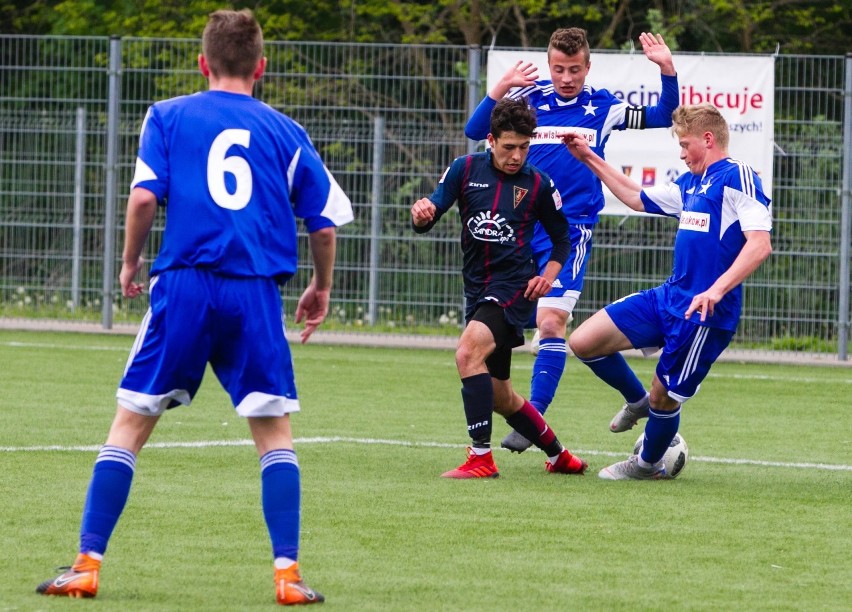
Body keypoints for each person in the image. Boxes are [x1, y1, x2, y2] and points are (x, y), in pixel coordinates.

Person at [36, 9, 353, 605]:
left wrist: (130, 263)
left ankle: (85, 564)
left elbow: (142, 199)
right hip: (254, 292)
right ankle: (287, 575)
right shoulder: (286, 131)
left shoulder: (169, 115)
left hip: (183, 285)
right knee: (274, 433)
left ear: (203, 62)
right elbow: (325, 224)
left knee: (130, 424)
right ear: (261, 66)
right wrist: (321, 286)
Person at [465, 28, 679, 453]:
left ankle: (533, 420)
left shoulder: (602, 106)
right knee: (523, 329)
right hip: (519, 234)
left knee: (550, 323)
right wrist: (501, 88)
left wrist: (667, 70)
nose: (566, 77)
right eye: (559, 69)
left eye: (574, 69)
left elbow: (664, 114)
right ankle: (637, 399)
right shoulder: (528, 102)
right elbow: (476, 130)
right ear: (549, 66)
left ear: (588, 67)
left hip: (570, 231)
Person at [561, 103, 772, 479]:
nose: (680, 152)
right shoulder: (690, 183)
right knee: (583, 341)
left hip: (704, 316)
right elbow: (635, 196)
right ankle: (637, 402)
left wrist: (716, 291)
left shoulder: (737, 175)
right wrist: (588, 157)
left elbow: (759, 244)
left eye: (685, 143)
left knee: (666, 395)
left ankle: (646, 465)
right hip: (668, 298)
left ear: (708, 140)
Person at [411, 97, 587, 479]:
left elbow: (561, 240)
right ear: (490, 140)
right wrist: (421, 214)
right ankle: (559, 456)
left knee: (466, 353)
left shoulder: (538, 183)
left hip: (513, 288)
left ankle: (480, 458)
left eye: (524, 147)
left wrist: (549, 275)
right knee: (500, 396)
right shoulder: (463, 169)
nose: (517, 156)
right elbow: (432, 210)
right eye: (509, 147)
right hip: (477, 290)